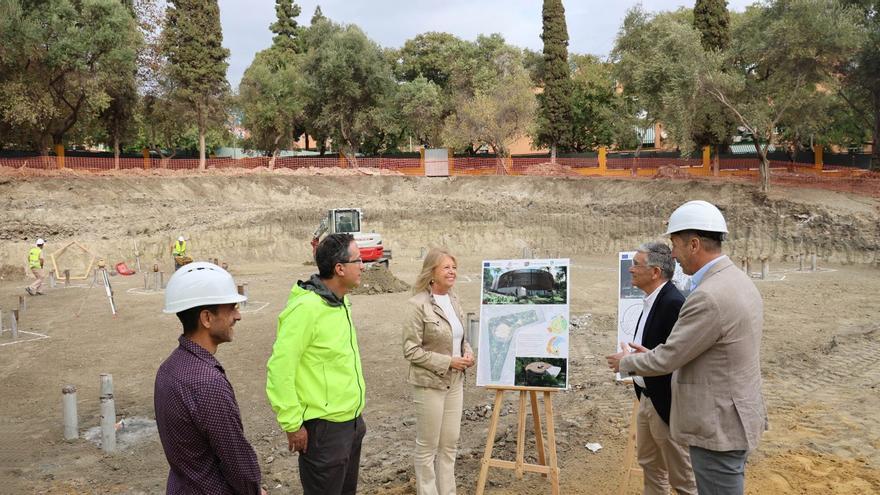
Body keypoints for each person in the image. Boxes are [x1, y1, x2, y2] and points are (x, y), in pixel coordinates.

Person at [607, 200, 767, 495]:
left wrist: (626, 362)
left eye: (675, 245)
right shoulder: (738, 281)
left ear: (694, 244)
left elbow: (669, 357)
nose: (674, 255)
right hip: (734, 415)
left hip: (717, 423)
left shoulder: (708, 295)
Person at [266, 233, 367, 495]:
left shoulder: (341, 302)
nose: (363, 266)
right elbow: (280, 369)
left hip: (351, 423)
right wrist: (292, 423)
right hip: (324, 431)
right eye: (358, 260)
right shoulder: (306, 309)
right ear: (339, 268)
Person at [154, 262, 265, 494]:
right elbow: (236, 458)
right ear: (206, 318)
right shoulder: (207, 383)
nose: (238, 315)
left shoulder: (169, 368)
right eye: (231, 307)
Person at [402, 248, 474, 495]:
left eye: (454, 267)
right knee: (427, 447)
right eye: (446, 267)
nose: (452, 271)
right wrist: (448, 362)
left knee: (449, 444)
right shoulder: (417, 304)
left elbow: (459, 336)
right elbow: (410, 351)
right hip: (430, 383)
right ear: (432, 272)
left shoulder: (454, 300)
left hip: (455, 381)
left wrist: (467, 351)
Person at [626, 242, 696, 495]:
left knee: (682, 478)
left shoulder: (673, 304)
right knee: (651, 466)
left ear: (655, 272)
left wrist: (640, 361)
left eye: (636, 264)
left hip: (667, 404)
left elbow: (680, 358)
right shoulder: (653, 300)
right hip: (647, 397)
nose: (630, 269)